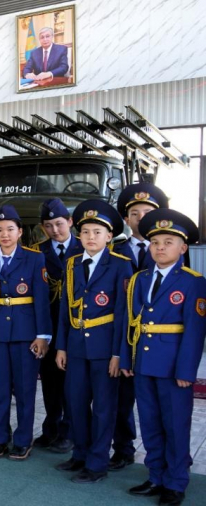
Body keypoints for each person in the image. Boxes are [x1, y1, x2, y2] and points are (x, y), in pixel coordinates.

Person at [120, 209, 206, 505]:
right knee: (150, 423)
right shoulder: (140, 279)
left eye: (168, 242)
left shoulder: (193, 281)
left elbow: (195, 331)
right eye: (155, 242)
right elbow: (130, 322)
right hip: (144, 364)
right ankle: (155, 476)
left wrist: (186, 371)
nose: (160, 248)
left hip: (173, 367)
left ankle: (176, 482)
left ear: (183, 248)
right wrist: (127, 359)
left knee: (175, 425)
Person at [53, 200, 131, 484]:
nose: (90, 237)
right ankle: (80, 454)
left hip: (104, 350)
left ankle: (97, 463)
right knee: (75, 403)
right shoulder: (72, 263)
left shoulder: (121, 266)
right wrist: (61, 346)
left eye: (97, 232)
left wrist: (118, 354)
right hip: (76, 346)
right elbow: (66, 308)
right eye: (85, 232)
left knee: (103, 408)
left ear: (109, 236)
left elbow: (124, 314)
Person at [0, 204, 51, 460]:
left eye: (10, 229)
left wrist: (43, 336)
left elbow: (41, 300)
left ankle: (23, 440)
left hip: (25, 334)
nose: (4, 234)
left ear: (20, 232)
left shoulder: (34, 258)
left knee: (25, 390)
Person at [110, 182, 168, 471]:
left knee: (158, 402)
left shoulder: (169, 250)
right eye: (134, 213)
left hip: (156, 337)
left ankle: (168, 457)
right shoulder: (114, 249)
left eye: (147, 212)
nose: (141, 218)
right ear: (126, 218)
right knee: (120, 399)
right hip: (122, 334)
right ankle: (123, 448)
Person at [32, 198, 82, 454]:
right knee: (50, 381)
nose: (55, 230)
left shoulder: (85, 248)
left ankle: (69, 431)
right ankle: (50, 428)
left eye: (59, 224)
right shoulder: (36, 252)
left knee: (72, 383)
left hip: (77, 328)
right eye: (49, 225)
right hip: (48, 327)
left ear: (70, 222)